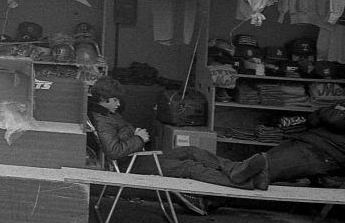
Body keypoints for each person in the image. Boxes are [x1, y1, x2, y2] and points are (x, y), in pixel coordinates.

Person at [89, 76, 266, 189]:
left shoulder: (108, 114)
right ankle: (247, 182)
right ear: (103, 100)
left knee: (191, 151)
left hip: (137, 157)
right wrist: (138, 138)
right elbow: (113, 152)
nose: (119, 104)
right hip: (130, 164)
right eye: (115, 100)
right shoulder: (103, 120)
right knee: (188, 166)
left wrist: (134, 134)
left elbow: (117, 141)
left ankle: (236, 169)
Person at [234, 103, 345, 190]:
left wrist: (324, 111)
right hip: (311, 143)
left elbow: (333, 119)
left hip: (326, 153)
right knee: (261, 164)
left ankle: (233, 175)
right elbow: (312, 120)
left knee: (264, 167)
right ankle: (234, 173)